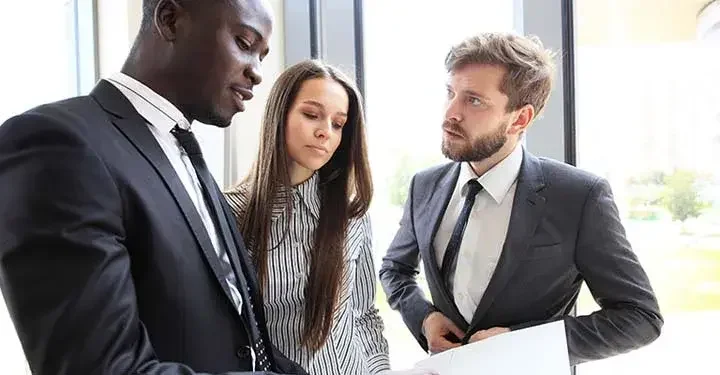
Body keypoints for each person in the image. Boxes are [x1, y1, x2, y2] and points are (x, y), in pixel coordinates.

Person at [0, 0, 306, 374]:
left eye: (262, 56)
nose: (257, 73)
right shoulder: (58, 143)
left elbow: (247, 340)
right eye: (244, 43)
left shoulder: (185, 152)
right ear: (170, 19)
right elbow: (103, 368)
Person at [378, 32, 663, 366]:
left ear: (520, 118)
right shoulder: (424, 185)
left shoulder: (579, 197)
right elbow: (395, 269)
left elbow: (640, 317)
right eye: (450, 93)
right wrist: (424, 318)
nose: (450, 113)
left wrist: (521, 343)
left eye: (473, 100)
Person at [225, 60, 435, 375]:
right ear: (279, 116)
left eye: (338, 124)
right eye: (311, 115)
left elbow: (363, 314)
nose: (325, 132)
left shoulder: (352, 213)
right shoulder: (230, 213)